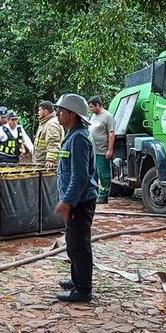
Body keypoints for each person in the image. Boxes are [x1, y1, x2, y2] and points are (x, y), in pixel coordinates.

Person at [53, 93, 99, 302]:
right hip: (77, 201)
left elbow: (80, 176)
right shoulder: (73, 135)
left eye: (61, 110)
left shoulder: (79, 138)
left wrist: (67, 202)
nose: (58, 113)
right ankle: (77, 279)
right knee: (73, 242)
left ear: (72, 114)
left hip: (79, 202)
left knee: (79, 244)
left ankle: (83, 289)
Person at [87, 96, 115, 204]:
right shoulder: (93, 116)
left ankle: (104, 195)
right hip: (93, 150)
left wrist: (110, 149)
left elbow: (111, 133)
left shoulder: (107, 116)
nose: (91, 109)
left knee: (103, 173)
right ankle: (95, 194)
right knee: (93, 173)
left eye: (92, 107)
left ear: (98, 105)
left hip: (102, 150)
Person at [32, 101, 63, 168]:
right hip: (41, 163)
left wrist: (50, 160)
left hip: (46, 166)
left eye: (40, 110)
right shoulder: (45, 123)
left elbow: (53, 143)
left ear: (46, 112)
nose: (38, 112)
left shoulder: (52, 124)